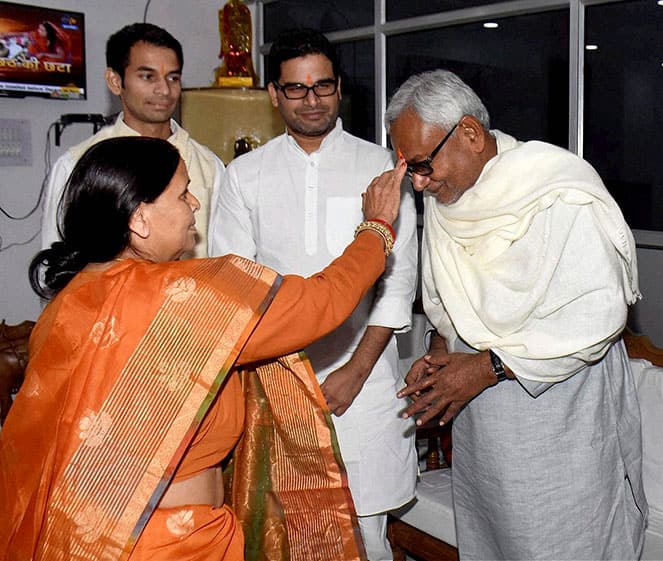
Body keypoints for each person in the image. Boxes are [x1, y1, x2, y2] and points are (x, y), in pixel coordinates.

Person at [0, 136, 407, 560]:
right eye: (181, 193)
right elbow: (319, 303)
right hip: (167, 544)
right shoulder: (180, 298)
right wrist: (376, 227)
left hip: (95, 538)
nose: (195, 203)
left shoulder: (67, 304)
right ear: (140, 219)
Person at [385, 69, 647, 560]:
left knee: (566, 544)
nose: (418, 185)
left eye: (422, 165)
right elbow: (445, 299)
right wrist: (440, 353)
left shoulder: (557, 192)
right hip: (485, 436)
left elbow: (595, 318)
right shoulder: (450, 198)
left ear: (468, 133)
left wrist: (484, 368)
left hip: (560, 432)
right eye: (408, 170)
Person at [208, 28, 417, 560]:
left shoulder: (380, 168)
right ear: (274, 94)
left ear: (339, 88)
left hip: (364, 383)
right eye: (296, 89)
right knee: (282, 530)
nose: (311, 100)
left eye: (323, 86)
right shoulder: (243, 177)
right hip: (276, 383)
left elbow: (398, 283)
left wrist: (356, 370)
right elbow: (236, 288)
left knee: (364, 530)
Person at [40, 23, 223, 260]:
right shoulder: (78, 165)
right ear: (115, 81)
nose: (164, 90)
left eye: (173, 77)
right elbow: (55, 266)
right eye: (148, 76)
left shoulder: (209, 165)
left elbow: (224, 260)